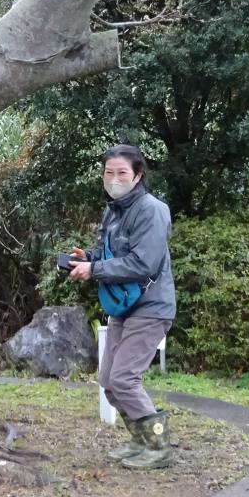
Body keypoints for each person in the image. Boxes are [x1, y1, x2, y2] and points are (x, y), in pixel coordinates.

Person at [67, 145, 176, 469]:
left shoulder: (151, 210)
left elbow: (143, 263)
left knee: (125, 379)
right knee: (109, 382)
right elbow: (113, 255)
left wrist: (95, 271)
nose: (114, 179)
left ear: (138, 175)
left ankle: (158, 447)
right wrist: (89, 259)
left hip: (150, 306)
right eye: (108, 173)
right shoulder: (113, 211)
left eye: (122, 173)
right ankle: (140, 441)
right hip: (122, 306)